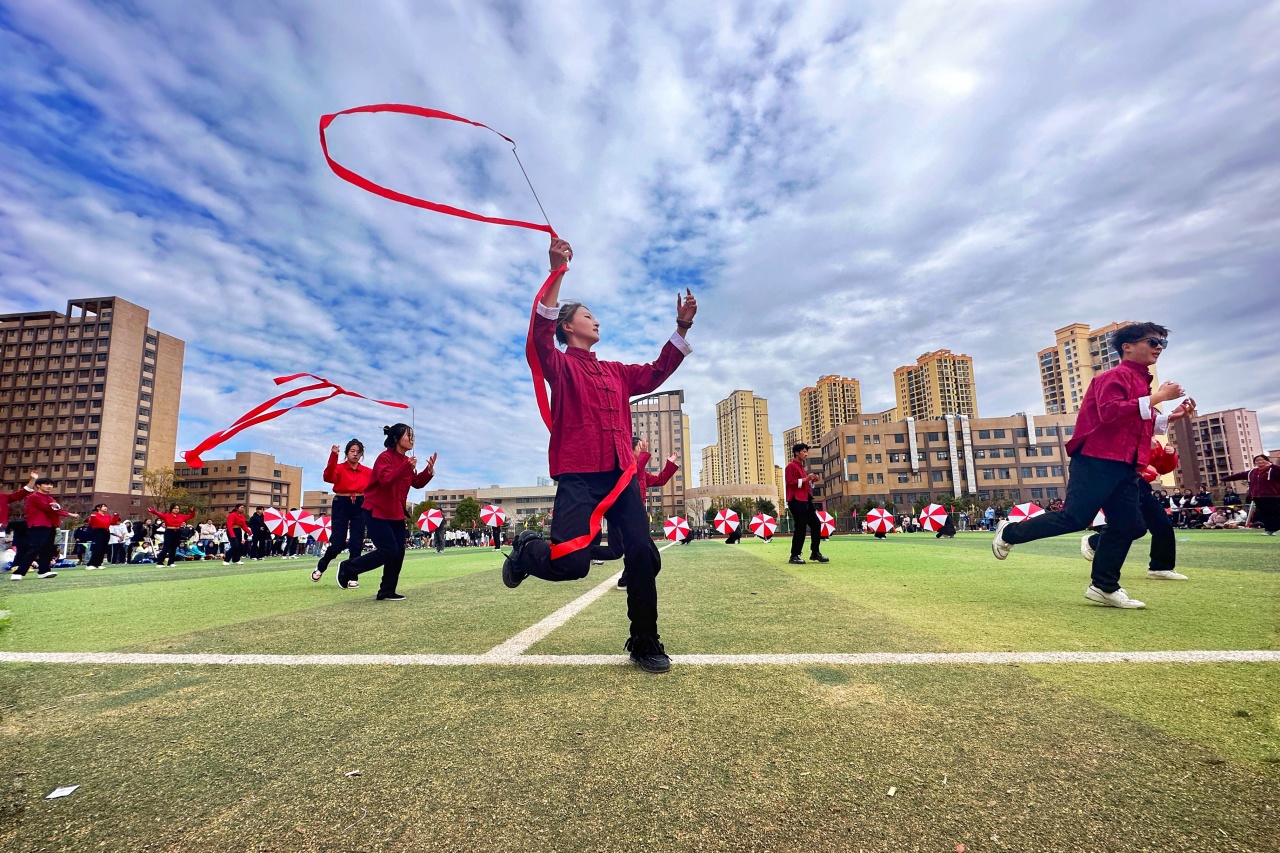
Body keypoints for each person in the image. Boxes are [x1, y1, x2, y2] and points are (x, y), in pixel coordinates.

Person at [502, 237, 694, 674]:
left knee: (643, 553)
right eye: (587, 315)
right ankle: (526, 549)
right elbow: (538, 335)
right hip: (579, 477)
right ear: (568, 326)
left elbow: (657, 370)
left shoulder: (616, 371)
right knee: (571, 565)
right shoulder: (559, 364)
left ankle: (644, 641)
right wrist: (557, 272)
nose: (596, 321)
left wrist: (681, 329)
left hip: (622, 476)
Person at [993, 323, 1191, 609]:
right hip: (1097, 459)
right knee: (1074, 517)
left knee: (1131, 525)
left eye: (1162, 343)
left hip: (1125, 465)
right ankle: (1009, 532)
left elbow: (1137, 421)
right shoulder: (1113, 377)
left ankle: (1103, 586)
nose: (1159, 347)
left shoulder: (1139, 381)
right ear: (1128, 346)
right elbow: (1110, 414)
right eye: (1152, 342)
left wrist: (1170, 417)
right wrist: (1158, 398)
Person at [336, 423, 436, 600]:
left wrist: (428, 471)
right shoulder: (384, 457)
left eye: (413, 436)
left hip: (395, 512)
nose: (412, 439)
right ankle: (348, 567)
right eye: (408, 435)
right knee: (389, 550)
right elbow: (386, 480)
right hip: (376, 510)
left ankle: (387, 591)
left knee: (399, 552)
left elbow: (417, 482)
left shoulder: (406, 462)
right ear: (396, 439)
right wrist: (407, 467)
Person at [313, 439, 372, 579]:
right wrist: (333, 456)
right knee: (338, 543)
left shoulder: (367, 471)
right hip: (341, 502)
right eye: (352, 451)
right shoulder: (339, 468)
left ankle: (353, 575)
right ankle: (322, 565)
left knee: (356, 542)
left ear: (362, 454)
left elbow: (381, 481)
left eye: (358, 452)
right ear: (346, 453)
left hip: (360, 503)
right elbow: (327, 477)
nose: (355, 454)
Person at [10, 477, 79, 580]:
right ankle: (18, 572)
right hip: (38, 525)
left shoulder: (49, 498)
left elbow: (55, 507)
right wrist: (69, 514)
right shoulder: (34, 497)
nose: (49, 486)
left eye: (51, 485)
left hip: (50, 525)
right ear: (38, 485)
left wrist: (58, 508)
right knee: (35, 548)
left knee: (47, 549)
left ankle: (44, 571)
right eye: (46, 484)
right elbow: (51, 508)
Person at [785, 443, 827, 565]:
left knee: (816, 524)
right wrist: (806, 479)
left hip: (805, 499)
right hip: (796, 500)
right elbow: (790, 482)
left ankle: (815, 552)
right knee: (801, 526)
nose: (806, 454)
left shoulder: (801, 468)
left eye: (806, 452)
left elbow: (803, 484)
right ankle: (794, 555)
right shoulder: (791, 466)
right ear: (797, 453)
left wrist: (811, 480)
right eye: (804, 451)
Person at [1223, 454, 1280, 535]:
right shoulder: (1252, 472)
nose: (1260, 462)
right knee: (1265, 514)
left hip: (1272, 496)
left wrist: (1272, 465)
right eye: (1257, 460)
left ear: (1266, 460)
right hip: (1257, 496)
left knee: (1276, 512)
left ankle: (1275, 527)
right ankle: (1269, 530)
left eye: (1262, 460)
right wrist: (1224, 479)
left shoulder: (1273, 470)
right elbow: (1239, 475)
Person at [85, 504, 121, 570]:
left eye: (105, 506)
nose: (105, 508)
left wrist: (116, 516)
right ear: (98, 508)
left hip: (106, 532)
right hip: (98, 532)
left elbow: (113, 522)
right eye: (103, 506)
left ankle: (99, 563)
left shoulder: (107, 516)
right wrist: (92, 517)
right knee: (97, 548)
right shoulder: (95, 515)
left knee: (103, 549)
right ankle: (90, 564)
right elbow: (90, 523)